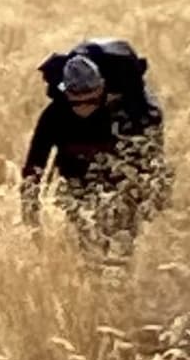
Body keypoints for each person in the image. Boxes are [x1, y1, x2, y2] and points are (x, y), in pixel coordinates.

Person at [21, 39, 168, 252]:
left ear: (104, 92)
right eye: (76, 102)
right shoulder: (55, 115)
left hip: (119, 178)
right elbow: (33, 169)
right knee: (86, 241)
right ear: (66, 94)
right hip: (78, 179)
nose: (84, 108)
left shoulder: (132, 112)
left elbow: (149, 166)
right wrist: (31, 220)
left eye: (91, 101)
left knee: (123, 236)